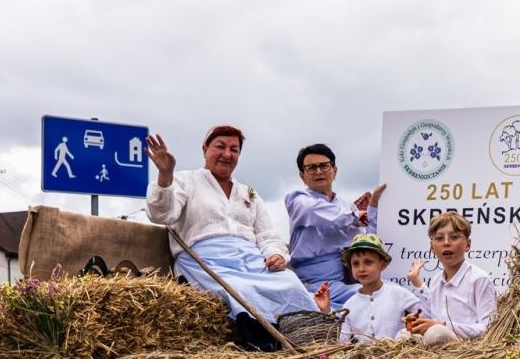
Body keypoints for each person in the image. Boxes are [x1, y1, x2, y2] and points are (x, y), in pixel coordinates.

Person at [145, 125, 324, 343]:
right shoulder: (185, 181)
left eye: (234, 149)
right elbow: (161, 215)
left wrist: (276, 254)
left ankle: (310, 341)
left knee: (290, 282)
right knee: (240, 290)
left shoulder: (248, 192)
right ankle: (261, 345)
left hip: (250, 259)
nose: (227, 154)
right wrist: (165, 175)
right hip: (207, 260)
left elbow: (267, 235)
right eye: (220, 146)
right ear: (205, 149)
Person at [285, 143, 385, 305]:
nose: (318, 171)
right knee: (367, 297)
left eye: (324, 166)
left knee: (392, 292)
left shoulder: (347, 207)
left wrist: (372, 206)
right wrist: (354, 217)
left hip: (352, 275)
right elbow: (315, 212)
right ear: (302, 176)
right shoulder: (297, 200)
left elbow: (367, 239)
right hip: (317, 282)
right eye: (311, 168)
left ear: (335, 170)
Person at [405, 212, 498, 344]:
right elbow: (433, 317)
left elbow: (489, 327)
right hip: (437, 347)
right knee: (404, 335)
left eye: (454, 237)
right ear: (432, 247)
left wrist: (443, 325)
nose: (446, 243)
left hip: (467, 347)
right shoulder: (436, 281)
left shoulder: (479, 279)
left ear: (468, 244)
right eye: (439, 238)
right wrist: (418, 320)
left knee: (436, 333)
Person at [338, 234, 423, 343]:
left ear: (382, 265)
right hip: (364, 358)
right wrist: (326, 311)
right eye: (355, 264)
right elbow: (341, 341)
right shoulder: (349, 305)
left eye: (368, 262)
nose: (361, 268)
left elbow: (425, 311)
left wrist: (415, 317)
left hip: (398, 355)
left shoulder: (397, 293)